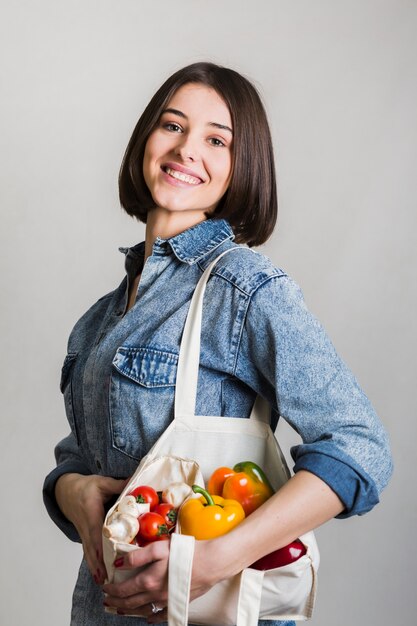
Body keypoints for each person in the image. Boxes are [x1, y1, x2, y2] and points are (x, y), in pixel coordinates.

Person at [43, 62, 393, 626]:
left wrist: (217, 559)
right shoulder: (97, 320)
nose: (187, 151)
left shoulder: (244, 287)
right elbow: (88, 456)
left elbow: (360, 447)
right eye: (172, 126)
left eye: (215, 140)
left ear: (240, 166)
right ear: (145, 139)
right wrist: (73, 490)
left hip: (206, 611)